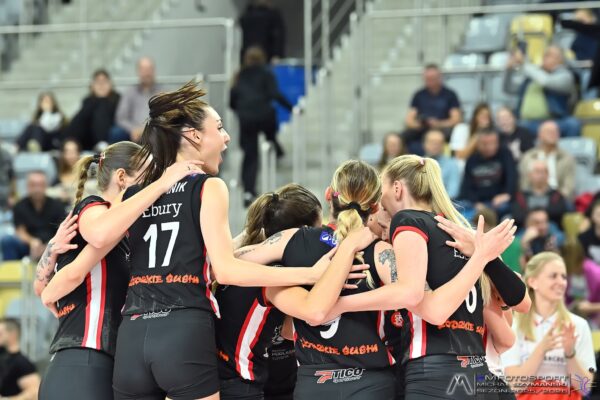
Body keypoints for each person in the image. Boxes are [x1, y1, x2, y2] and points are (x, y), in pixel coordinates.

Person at [109, 81, 360, 400]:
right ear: (194, 135)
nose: (226, 137)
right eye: (219, 128)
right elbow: (225, 269)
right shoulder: (207, 186)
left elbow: (105, 237)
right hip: (182, 328)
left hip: (131, 332)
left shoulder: (135, 194)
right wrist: (310, 274)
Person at [316, 155, 528, 399]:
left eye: (382, 187)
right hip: (476, 369)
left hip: (435, 372)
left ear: (397, 189)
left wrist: (339, 304)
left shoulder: (408, 220)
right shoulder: (459, 230)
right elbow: (522, 302)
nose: (378, 199)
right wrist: (484, 256)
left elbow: (417, 298)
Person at [35, 142, 204, 400]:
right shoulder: (95, 207)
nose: (151, 183)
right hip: (84, 361)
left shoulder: (126, 233)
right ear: (122, 177)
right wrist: (163, 183)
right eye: (148, 175)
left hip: (94, 364)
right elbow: (97, 238)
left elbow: (42, 287)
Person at [215, 184, 322, 400]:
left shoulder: (241, 256)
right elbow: (307, 317)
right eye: (317, 230)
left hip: (225, 377)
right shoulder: (274, 275)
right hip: (240, 383)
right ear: (302, 232)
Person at [502, 252, 596, 398]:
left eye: (563, 277)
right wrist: (541, 349)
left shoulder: (579, 325)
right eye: (553, 276)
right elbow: (513, 386)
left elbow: (585, 388)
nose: (561, 282)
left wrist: (570, 353)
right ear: (533, 282)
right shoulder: (514, 325)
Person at [230, 46, 293, 206]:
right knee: (270, 136)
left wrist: (242, 110)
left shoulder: (239, 75)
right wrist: (291, 107)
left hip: (246, 118)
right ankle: (276, 148)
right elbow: (275, 94)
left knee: (250, 154)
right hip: (264, 116)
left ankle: (248, 191)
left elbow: (232, 101)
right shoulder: (266, 73)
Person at [504, 46, 581, 137]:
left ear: (560, 60)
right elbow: (509, 88)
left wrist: (524, 63)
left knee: (572, 124)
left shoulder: (565, 76)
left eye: (549, 55)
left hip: (555, 122)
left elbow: (546, 81)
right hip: (527, 123)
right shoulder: (532, 78)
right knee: (510, 124)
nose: (544, 57)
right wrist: (509, 70)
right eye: (544, 54)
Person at [0, 171, 65, 261]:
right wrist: (32, 241)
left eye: (40, 185)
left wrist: (48, 246)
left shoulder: (57, 206)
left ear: (46, 186)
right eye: (33, 185)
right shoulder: (19, 206)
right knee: (7, 241)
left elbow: (62, 230)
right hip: (28, 245)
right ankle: (11, 269)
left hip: (53, 244)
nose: (37, 189)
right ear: (27, 186)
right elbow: (20, 231)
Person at [402, 64, 462, 155]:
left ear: (439, 77)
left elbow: (456, 119)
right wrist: (420, 124)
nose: (430, 81)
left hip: (443, 130)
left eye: (432, 78)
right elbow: (409, 120)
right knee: (402, 137)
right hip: (422, 129)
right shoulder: (419, 95)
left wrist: (438, 124)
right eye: (427, 79)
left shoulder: (450, 94)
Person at [459, 130, 517, 220]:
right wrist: (475, 202)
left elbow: (512, 178)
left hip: (499, 202)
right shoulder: (472, 160)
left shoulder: (505, 154)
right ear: (478, 144)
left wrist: (507, 194)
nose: (490, 147)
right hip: (477, 203)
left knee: (506, 209)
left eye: (493, 143)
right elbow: (467, 185)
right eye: (485, 144)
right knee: (460, 209)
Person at [65, 69, 121, 151]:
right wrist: (97, 100)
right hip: (90, 137)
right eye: (98, 82)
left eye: (104, 82)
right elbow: (79, 120)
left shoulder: (117, 99)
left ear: (110, 84)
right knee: (77, 123)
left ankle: (101, 145)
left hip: (111, 134)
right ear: (93, 85)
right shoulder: (88, 100)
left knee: (101, 110)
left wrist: (102, 100)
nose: (101, 85)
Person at [519, 121, 576, 200]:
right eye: (549, 132)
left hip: (559, 200)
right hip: (532, 199)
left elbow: (569, 186)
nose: (553, 134)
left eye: (556, 132)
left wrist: (557, 201)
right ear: (539, 135)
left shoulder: (567, 158)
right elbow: (524, 184)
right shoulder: (528, 157)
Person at [115, 57, 162, 143]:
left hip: (157, 131)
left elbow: (167, 117)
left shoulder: (163, 92)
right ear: (138, 72)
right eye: (143, 69)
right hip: (133, 134)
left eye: (149, 69)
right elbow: (121, 117)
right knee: (116, 133)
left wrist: (146, 129)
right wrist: (133, 129)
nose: (146, 73)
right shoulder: (129, 92)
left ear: (154, 71)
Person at [512, 159, 568, 228]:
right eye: (537, 171)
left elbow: (559, 211)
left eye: (544, 172)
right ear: (529, 175)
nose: (541, 175)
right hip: (526, 227)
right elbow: (517, 215)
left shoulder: (556, 195)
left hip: (550, 227)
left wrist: (538, 217)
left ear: (548, 175)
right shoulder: (521, 196)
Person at [0, 318, 40, 400]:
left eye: (0, 334)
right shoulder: (3, 358)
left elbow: (35, 392)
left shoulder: (22, 363)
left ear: (12, 335)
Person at [423, 129, 461, 199]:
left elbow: (453, 192)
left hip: (443, 203)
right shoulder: (417, 163)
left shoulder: (452, 164)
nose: (435, 146)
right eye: (432, 142)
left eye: (439, 143)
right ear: (424, 144)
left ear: (443, 145)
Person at [47, 139, 88, 203]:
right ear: (63, 154)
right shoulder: (58, 177)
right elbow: (48, 192)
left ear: (79, 153)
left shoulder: (87, 174)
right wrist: (59, 194)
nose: (71, 156)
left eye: (74, 152)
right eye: (67, 152)